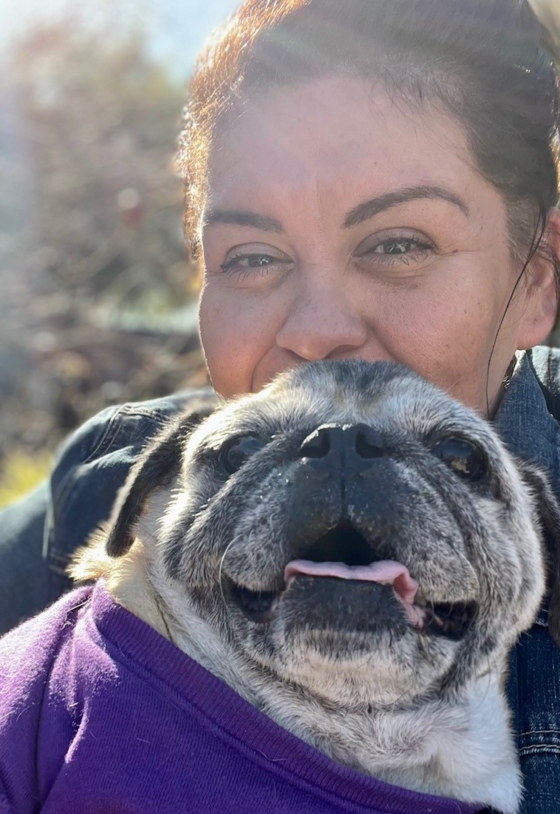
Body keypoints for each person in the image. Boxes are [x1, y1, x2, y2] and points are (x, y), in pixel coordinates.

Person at [1, 0, 560, 810]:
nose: (317, 330)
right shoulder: (116, 478)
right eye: (253, 257)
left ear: (537, 278)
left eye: (400, 243)